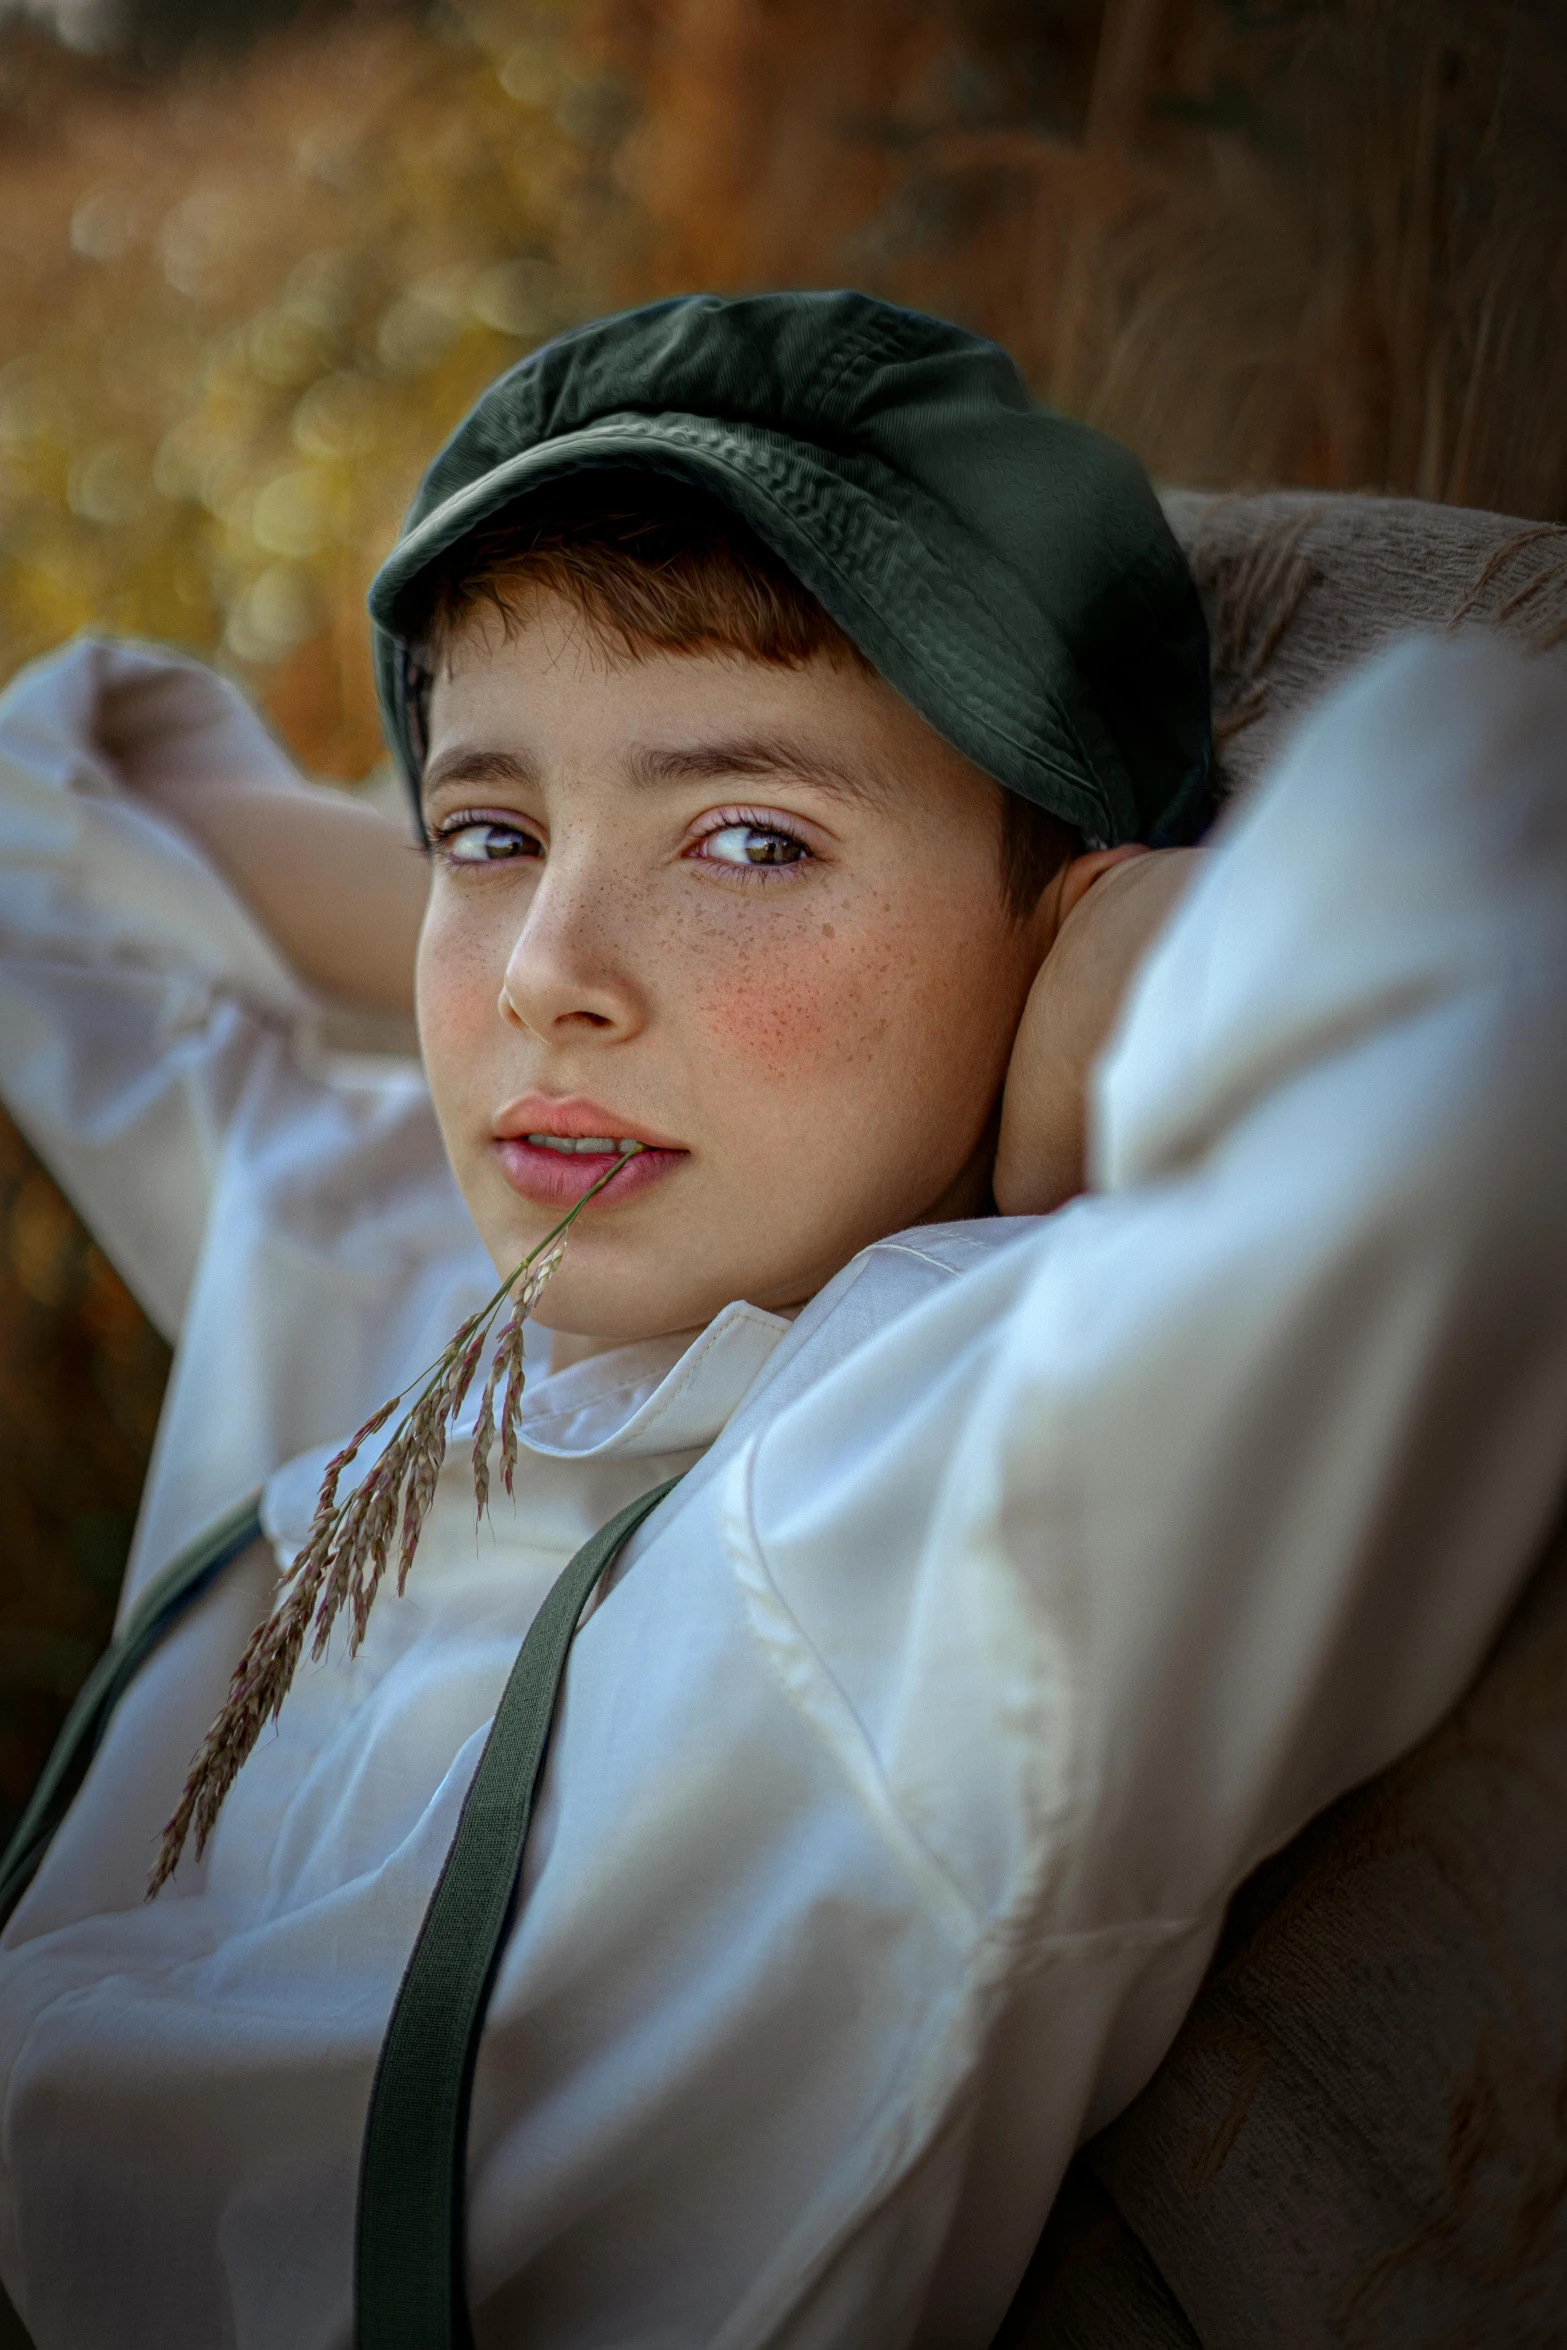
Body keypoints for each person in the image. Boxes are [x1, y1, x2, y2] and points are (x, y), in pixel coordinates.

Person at [0, 289, 1564, 2350]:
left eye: (753, 837)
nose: (558, 971)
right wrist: (544, 882)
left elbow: (1497, 968)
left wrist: (1129, 970)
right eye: (486, 830)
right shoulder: (394, 1256)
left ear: (1056, 900)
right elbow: (46, 835)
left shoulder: (954, 1495)